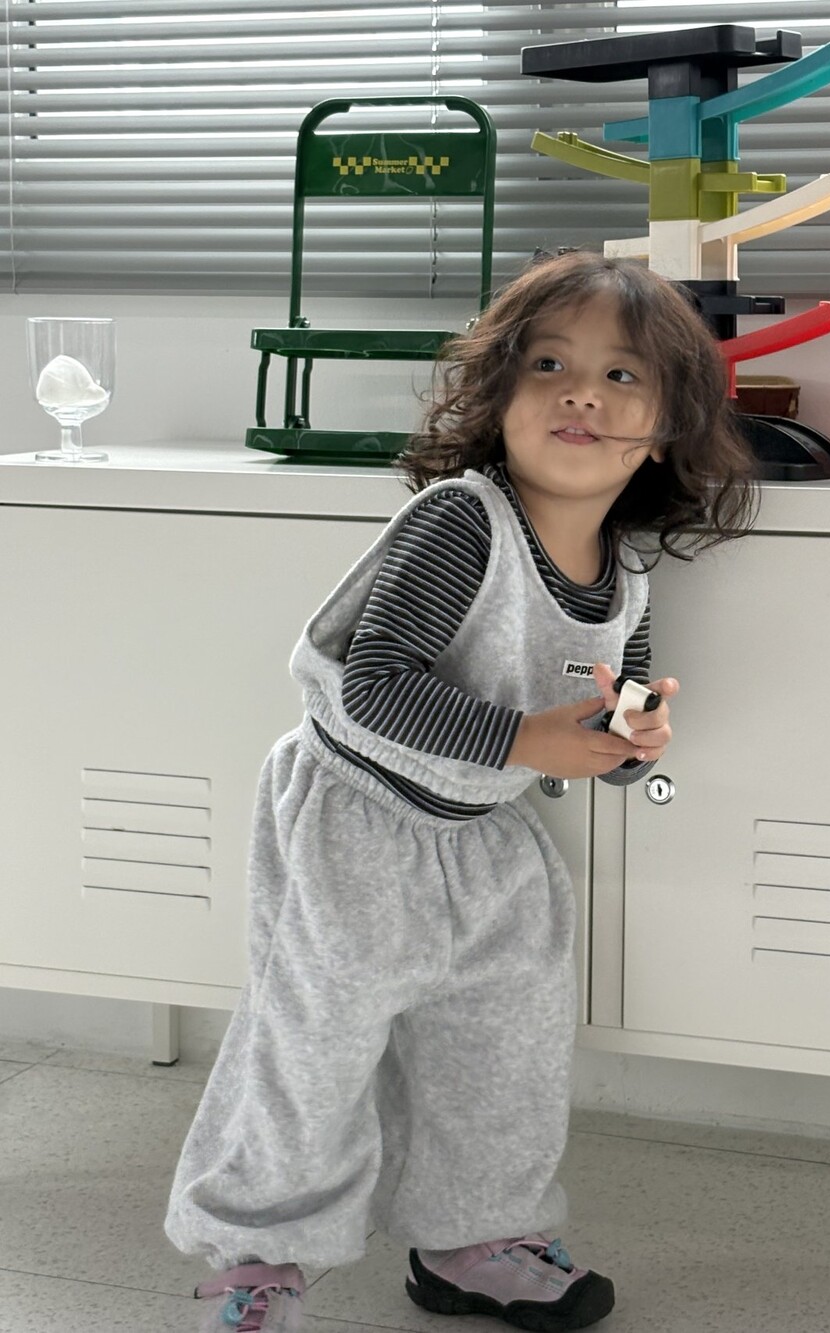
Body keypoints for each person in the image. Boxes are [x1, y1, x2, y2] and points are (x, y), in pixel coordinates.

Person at [164, 249, 758, 1332]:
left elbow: (610, 713)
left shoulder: (625, 571)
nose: (581, 393)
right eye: (548, 365)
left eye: (621, 375)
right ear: (498, 393)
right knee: (313, 1045)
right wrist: (527, 737)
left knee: (505, 1050)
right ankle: (260, 1256)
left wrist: (633, 740)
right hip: (358, 820)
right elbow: (376, 683)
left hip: (487, 834)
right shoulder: (463, 520)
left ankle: (474, 1237)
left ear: (668, 423)